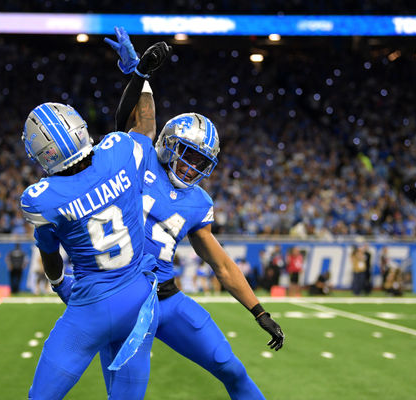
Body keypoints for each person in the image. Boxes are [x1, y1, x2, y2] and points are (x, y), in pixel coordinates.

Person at [94, 27, 284, 399]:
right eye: (188, 154)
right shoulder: (139, 160)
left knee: (231, 367)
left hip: (168, 299)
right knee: (127, 395)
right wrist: (140, 75)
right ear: (169, 144)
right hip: (123, 302)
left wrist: (259, 311)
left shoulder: (198, 201)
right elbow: (137, 122)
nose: (192, 166)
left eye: (201, 161)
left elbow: (223, 265)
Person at [20, 40, 171, 400]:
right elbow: (145, 125)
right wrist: (142, 76)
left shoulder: (42, 199)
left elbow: (51, 255)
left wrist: (59, 284)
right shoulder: (120, 151)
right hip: (139, 298)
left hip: (90, 307)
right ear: (80, 127)